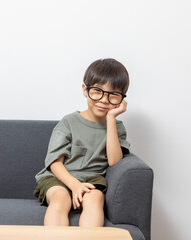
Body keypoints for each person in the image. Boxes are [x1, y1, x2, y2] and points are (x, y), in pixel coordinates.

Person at [33, 58, 131, 227]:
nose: (104, 100)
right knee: (60, 197)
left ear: (121, 99)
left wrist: (111, 119)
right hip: (59, 178)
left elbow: (114, 161)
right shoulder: (68, 122)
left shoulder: (116, 127)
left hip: (92, 180)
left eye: (113, 95)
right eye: (97, 91)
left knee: (96, 197)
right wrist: (75, 185)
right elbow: (55, 164)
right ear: (85, 90)